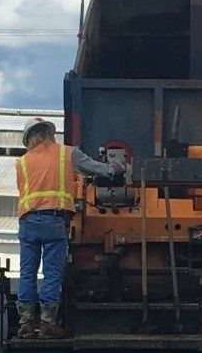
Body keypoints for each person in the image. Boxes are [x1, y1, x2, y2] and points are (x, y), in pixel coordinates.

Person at [12, 119, 121, 339]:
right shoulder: (66, 154)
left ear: (29, 139)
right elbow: (97, 168)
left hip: (28, 222)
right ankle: (47, 323)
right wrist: (116, 169)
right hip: (54, 220)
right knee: (52, 273)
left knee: (27, 272)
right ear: (49, 134)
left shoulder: (21, 162)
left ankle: (25, 322)